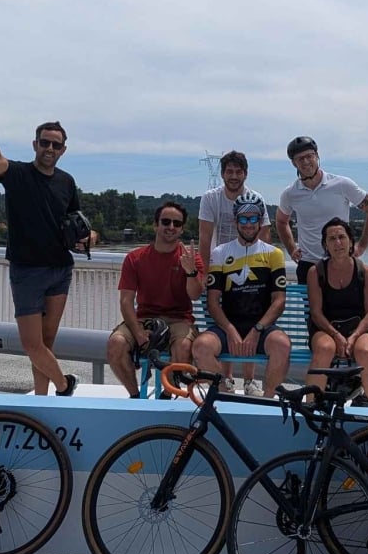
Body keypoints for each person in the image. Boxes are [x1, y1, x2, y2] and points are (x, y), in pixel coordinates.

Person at [0, 112, 97, 396]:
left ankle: (42, 399)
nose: (49, 149)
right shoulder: (18, 174)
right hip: (27, 270)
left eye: (55, 145)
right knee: (32, 344)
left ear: (63, 150)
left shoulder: (67, 182)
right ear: (35, 144)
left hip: (60, 269)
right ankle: (64, 384)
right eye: (45, 143)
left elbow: (77, 221)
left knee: (46, 342)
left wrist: (90, 238)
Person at [193, 192, 291, 396]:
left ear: (260, 221)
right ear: (235, 220)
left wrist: (257, 330)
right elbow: (213, 302)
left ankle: (268, 402)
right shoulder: (220, 252)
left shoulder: (274, 254)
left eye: (253, 218)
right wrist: (230, 330)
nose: (248, 224)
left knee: (281, 345)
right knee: (201, 347)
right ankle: (223, 396)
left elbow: (279, 301)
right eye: (244, 219)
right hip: (229, 325)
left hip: (261, 326)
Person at [106, 201, 204, 398]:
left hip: (179, 319)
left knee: (184, 346)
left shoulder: (191, 259)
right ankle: (135, 397)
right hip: (145, 317)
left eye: (177, 224)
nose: (171, 227)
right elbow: (126, 301)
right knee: (116, 344)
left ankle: (168, 395)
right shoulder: (135, 258)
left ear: (182, 229)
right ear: (155, 225)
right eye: (165, 222)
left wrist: (191, 272)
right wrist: (139, 333)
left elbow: (194, 295)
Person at [198, 150, 270, 393]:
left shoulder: (255, 197)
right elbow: (205, 238)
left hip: (249, 266)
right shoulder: (211, 198)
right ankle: (226, 378)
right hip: (220, 265)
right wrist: (207, 275)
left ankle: (249, 380)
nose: (234, 176)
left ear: (245, 174)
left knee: (249, 320)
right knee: (224, 323)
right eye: (229, 171)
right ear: (222, 174)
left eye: (239, 172)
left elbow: (265, 234)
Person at [275, 136, 368, 284]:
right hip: (308, 263)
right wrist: (292, 249)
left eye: (309, 156)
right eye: (300, 159)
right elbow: (281, 221)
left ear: (317, 156)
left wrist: (362, 246)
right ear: (294, 163)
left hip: (341, 260)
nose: (306, 162)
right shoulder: (290, 193)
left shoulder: (341, 184)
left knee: (344, 307)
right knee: (311, 308)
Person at [306, 217, 368, 407]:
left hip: (358, 328)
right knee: (324, 349)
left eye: (342, 237)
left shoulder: (366, 272)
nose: (338, 243)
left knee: (364, 352)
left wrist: (355, 335)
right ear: (325, 244)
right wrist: (336, 335)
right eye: (331, 239)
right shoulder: (316, 272)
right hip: (325, 328)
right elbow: (316, 313)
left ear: (351, 241)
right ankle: (311, 406)